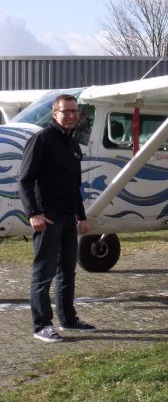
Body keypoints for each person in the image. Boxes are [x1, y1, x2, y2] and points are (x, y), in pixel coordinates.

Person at [19, 94, 96, 343]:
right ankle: (41, 325)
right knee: (44, 272)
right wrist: (33, 213)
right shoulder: (42, 139)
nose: (71, 115)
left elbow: (75, 186)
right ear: (55, 114)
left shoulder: (73, 146)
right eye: (66, 111)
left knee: (68, 271)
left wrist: (81, 216)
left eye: (75, 111)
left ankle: (68, 319)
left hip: (68, 217)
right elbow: (25, 180)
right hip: (47, 217)